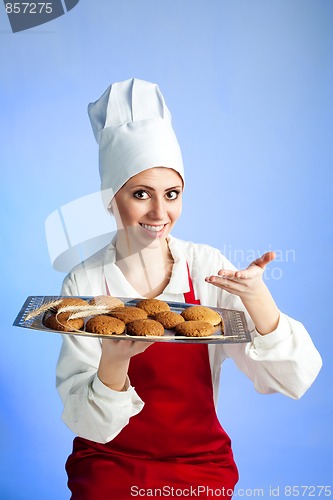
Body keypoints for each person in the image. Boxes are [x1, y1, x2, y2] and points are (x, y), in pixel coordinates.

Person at [56, 78, 322, 499]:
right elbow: (86, 423)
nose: (160, 212)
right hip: (108, 463)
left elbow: (289, 380)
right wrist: (112, 363)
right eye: (141, 194)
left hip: (199, 464)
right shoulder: (85, 284)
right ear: (111, 199)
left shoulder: (206, 268)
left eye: (172, 194)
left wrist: (258, 301)